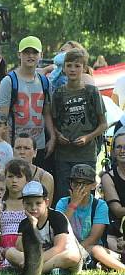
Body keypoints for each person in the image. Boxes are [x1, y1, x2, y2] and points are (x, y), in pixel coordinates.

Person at [51, 48, 107, 199]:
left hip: (86, 154)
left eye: (77, 66)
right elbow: (52, 123)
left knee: (85, 198)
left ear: (84, 68)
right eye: (69, 65)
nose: (73, 69)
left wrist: (88, 137)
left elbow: (103, 124)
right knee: (64, 197)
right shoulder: (58, 93)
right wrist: (58, 135)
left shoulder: (92, 92)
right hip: (63, 155)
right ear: (63, 68)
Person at [0, 36, 55, 168]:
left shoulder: (45, 81)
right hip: (16, 145)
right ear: (19, 54)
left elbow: (46, 113)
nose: (30, 56)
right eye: (26, 52)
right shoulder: (9, 81)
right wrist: (8, 147)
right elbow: (2, 118)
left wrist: (52, 137)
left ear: (41, 55)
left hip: (37, 145)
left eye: (34, 52)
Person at [55, 164, 125, 271]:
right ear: (71, 184)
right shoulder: (63, 203)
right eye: (76, 183)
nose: (79, 187)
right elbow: (58, 228)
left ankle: (121, 268)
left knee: (95, 249)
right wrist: (73, 204)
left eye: (84, 183)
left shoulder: (100, 205)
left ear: (93, 185)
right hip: (66, 247)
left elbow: (94, 238)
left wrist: (78, 250)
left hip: (91, 248)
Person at [5, 181, 82, 275]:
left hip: (58, 256)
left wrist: (35, 262)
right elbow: (20, 247)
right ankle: (47, 270)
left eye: (38, 203)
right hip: (39, 258)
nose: (33, 208)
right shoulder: (25, 222)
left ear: (46, 202)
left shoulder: (57, 217)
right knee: (10, 252)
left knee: (72, 256)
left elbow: (59, 248)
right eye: (28, 204)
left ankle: (32, 272)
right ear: (23, 204)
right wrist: (32, 226)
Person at [12, 133, 54, 203]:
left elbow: (46, 208)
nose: (22, 152)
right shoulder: (4, 174)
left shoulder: (45, 177)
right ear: (13, 151)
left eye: (26, 148)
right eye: (18, 148)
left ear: (35, 152)